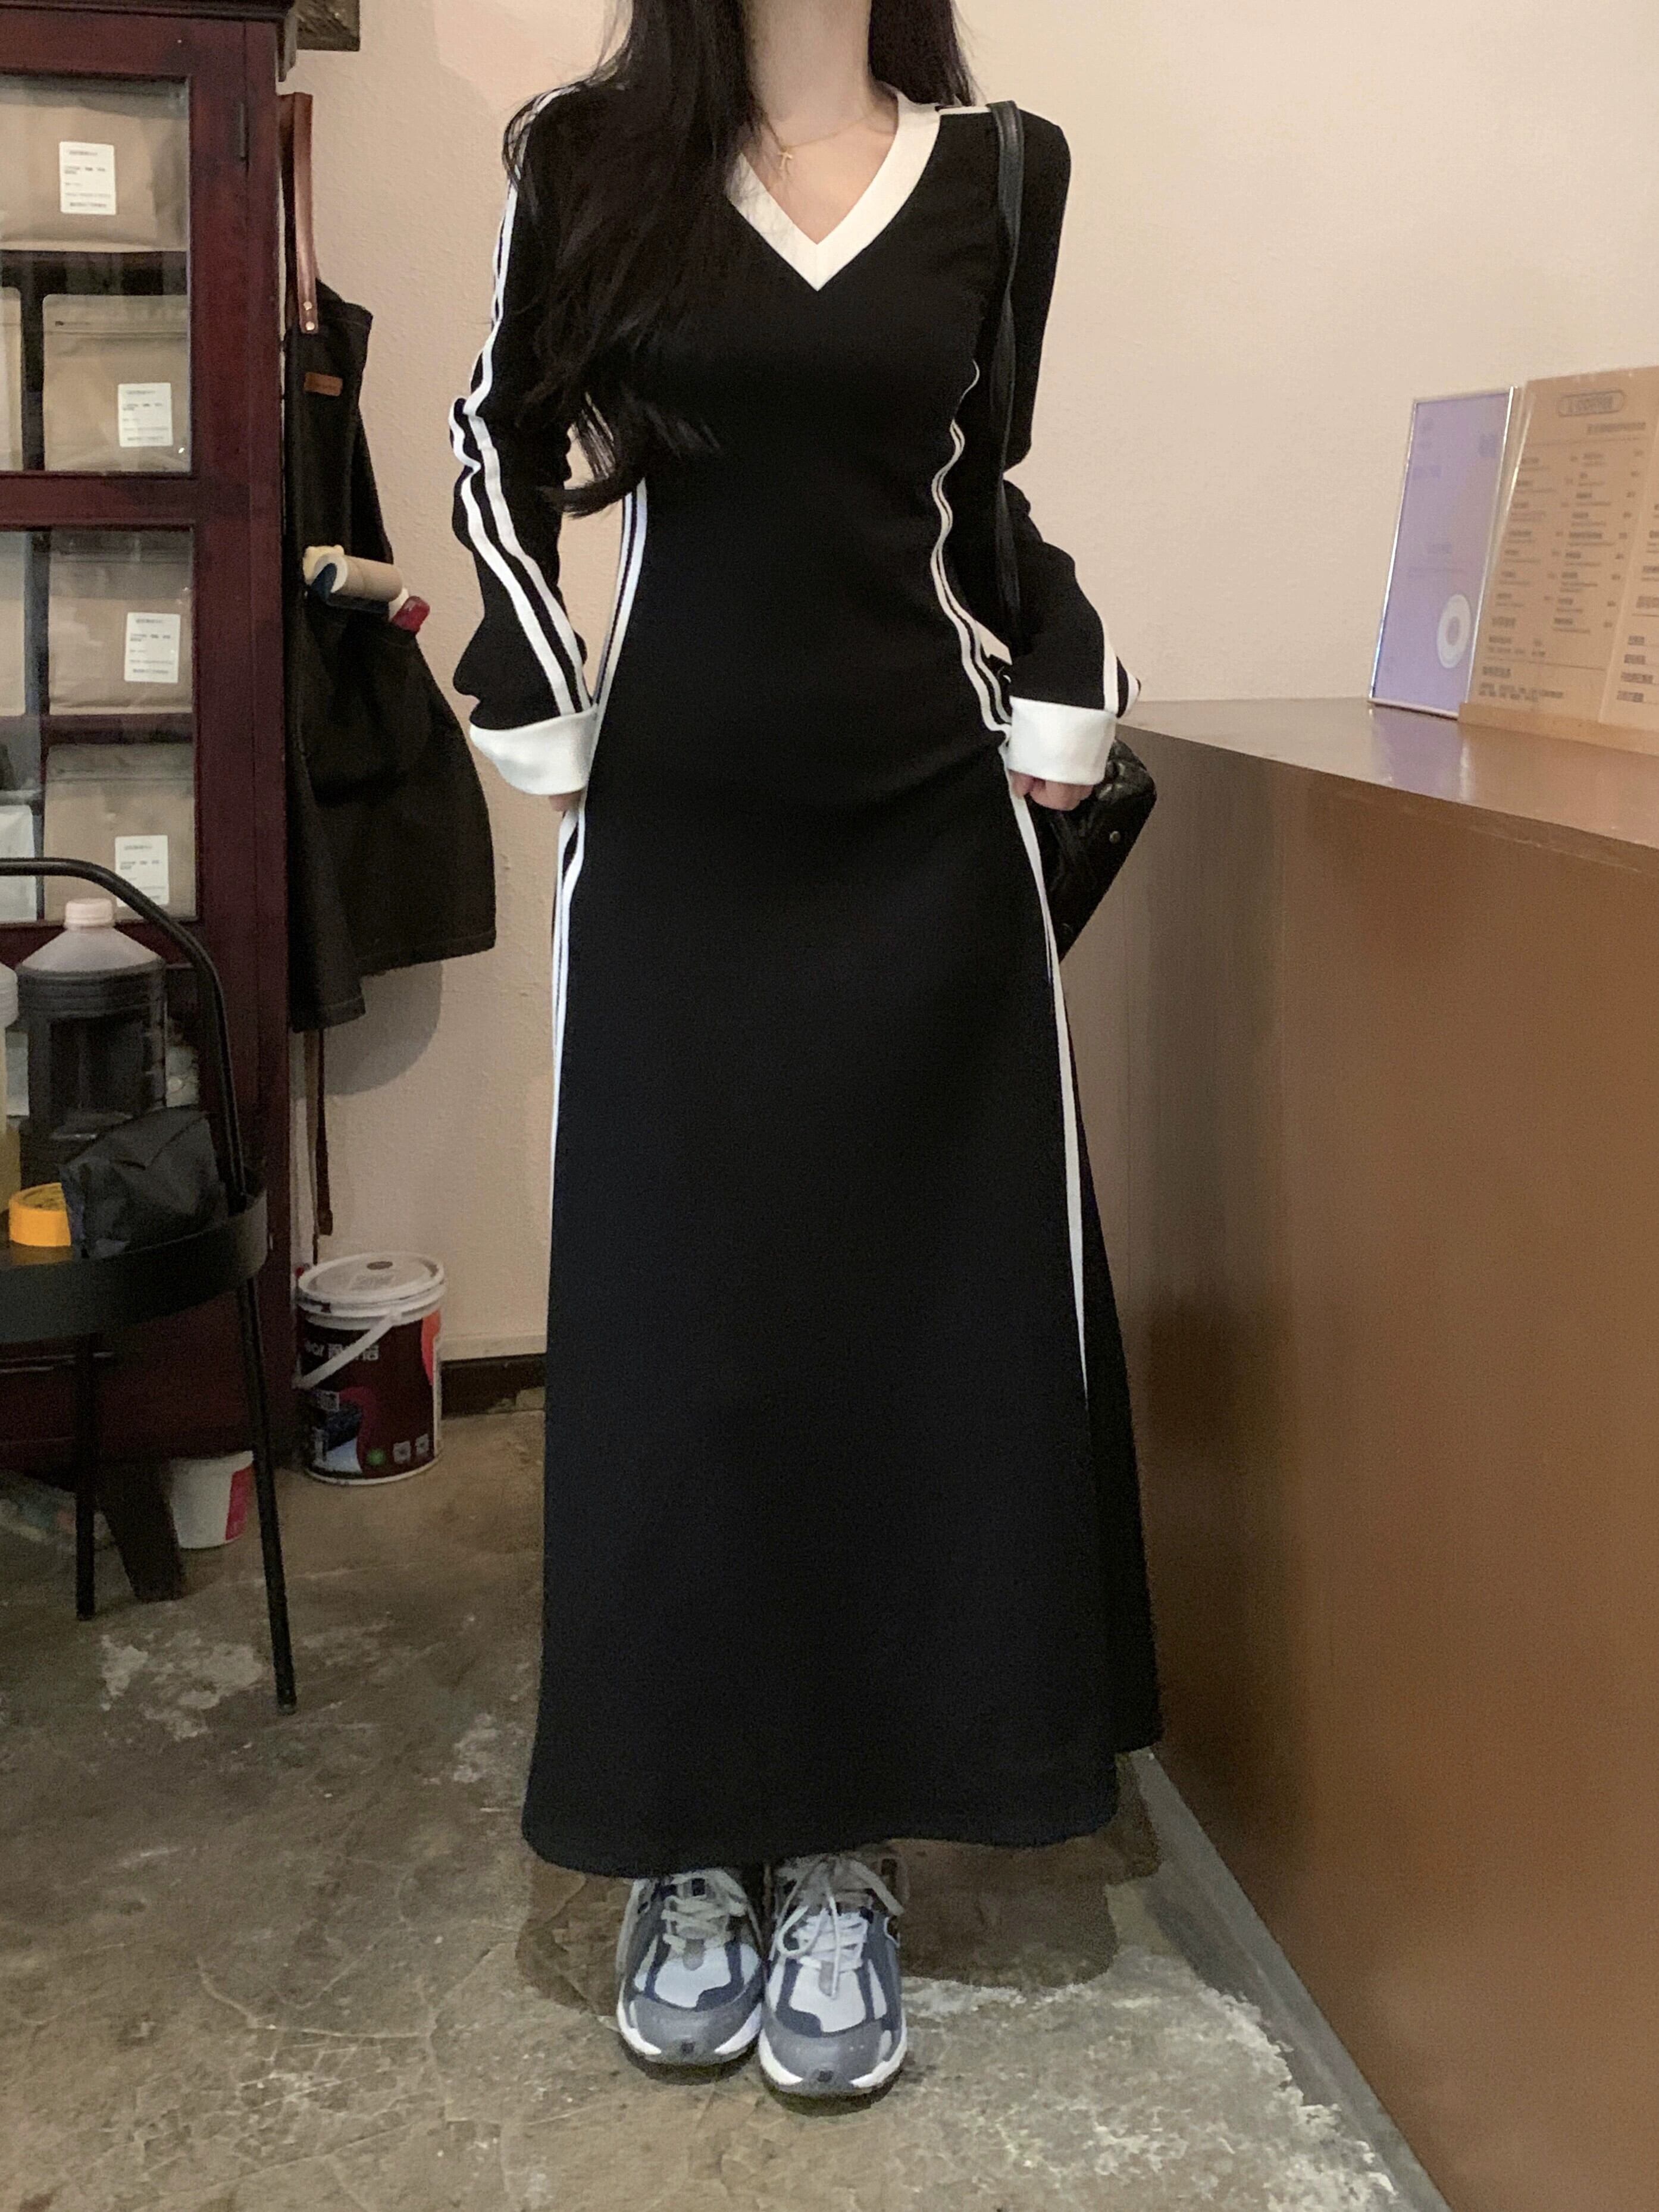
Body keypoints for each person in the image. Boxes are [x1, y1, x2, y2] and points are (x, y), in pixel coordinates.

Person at [449, 0, 1161, 2103]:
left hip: (921, 832)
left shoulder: (1004, 170)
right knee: (682, 1331)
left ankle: (845, 1844)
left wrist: (1062, 680)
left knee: (906, 1330)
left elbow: (976, 482)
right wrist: (537, 684)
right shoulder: (582, 153)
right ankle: (687, 1834)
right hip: (678, 831)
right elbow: (498, 439)